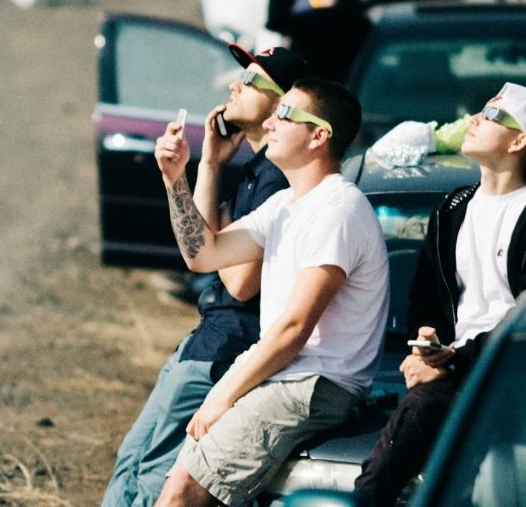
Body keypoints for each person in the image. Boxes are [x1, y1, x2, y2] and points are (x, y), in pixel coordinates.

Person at [351, 83, 526, 507]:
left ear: (520, 141)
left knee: (422, 413)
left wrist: (451, 366)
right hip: (451, 367)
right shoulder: (452, 208)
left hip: (518, 379)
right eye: (481, 111)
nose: (476, 119)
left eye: (495, 116)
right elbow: (427, 296)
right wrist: (424, 342)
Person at [152, 78, 390, 507]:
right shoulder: (284, 205)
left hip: (313, 382)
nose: (271, 120)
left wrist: (222, 395)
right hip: (286, 375)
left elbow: (294, 328)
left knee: (181, 494)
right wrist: (175, 179)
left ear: (319, 136)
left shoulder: (338, 210)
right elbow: (203, 254)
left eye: (286, 114)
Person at [102, 44, 311, 507]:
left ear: (282, 106)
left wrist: (182, 176)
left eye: (254, 80)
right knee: (132, 463)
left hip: (224, 348)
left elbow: (237, 282)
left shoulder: (280, 178)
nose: (235, 85)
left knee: (153, 480)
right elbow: (201, 250)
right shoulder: (255, 168)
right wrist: (211, 163)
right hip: (203, 341)